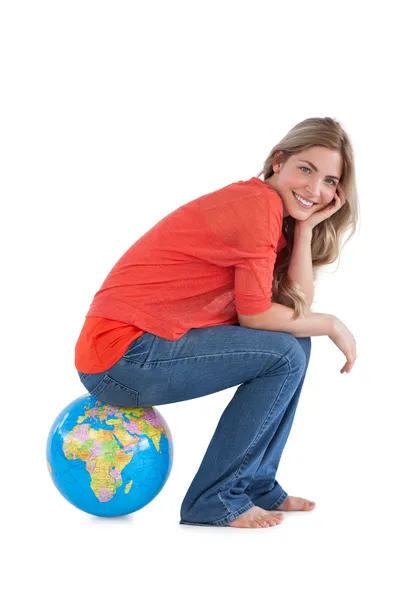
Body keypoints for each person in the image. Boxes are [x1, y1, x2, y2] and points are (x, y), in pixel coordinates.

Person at [75, 116, 359, 529]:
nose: (316, 189)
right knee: (285, 351)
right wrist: (332, 323)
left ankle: (256, 484)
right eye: (306, 169)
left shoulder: (272, 214)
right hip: (121, 356)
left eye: (331, 181)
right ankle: (213, 500)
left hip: (138, 350)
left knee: (295, 344)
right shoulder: (256, 205)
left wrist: (306, 229)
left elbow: (295, 308)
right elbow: (257, 316)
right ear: (278, 162)